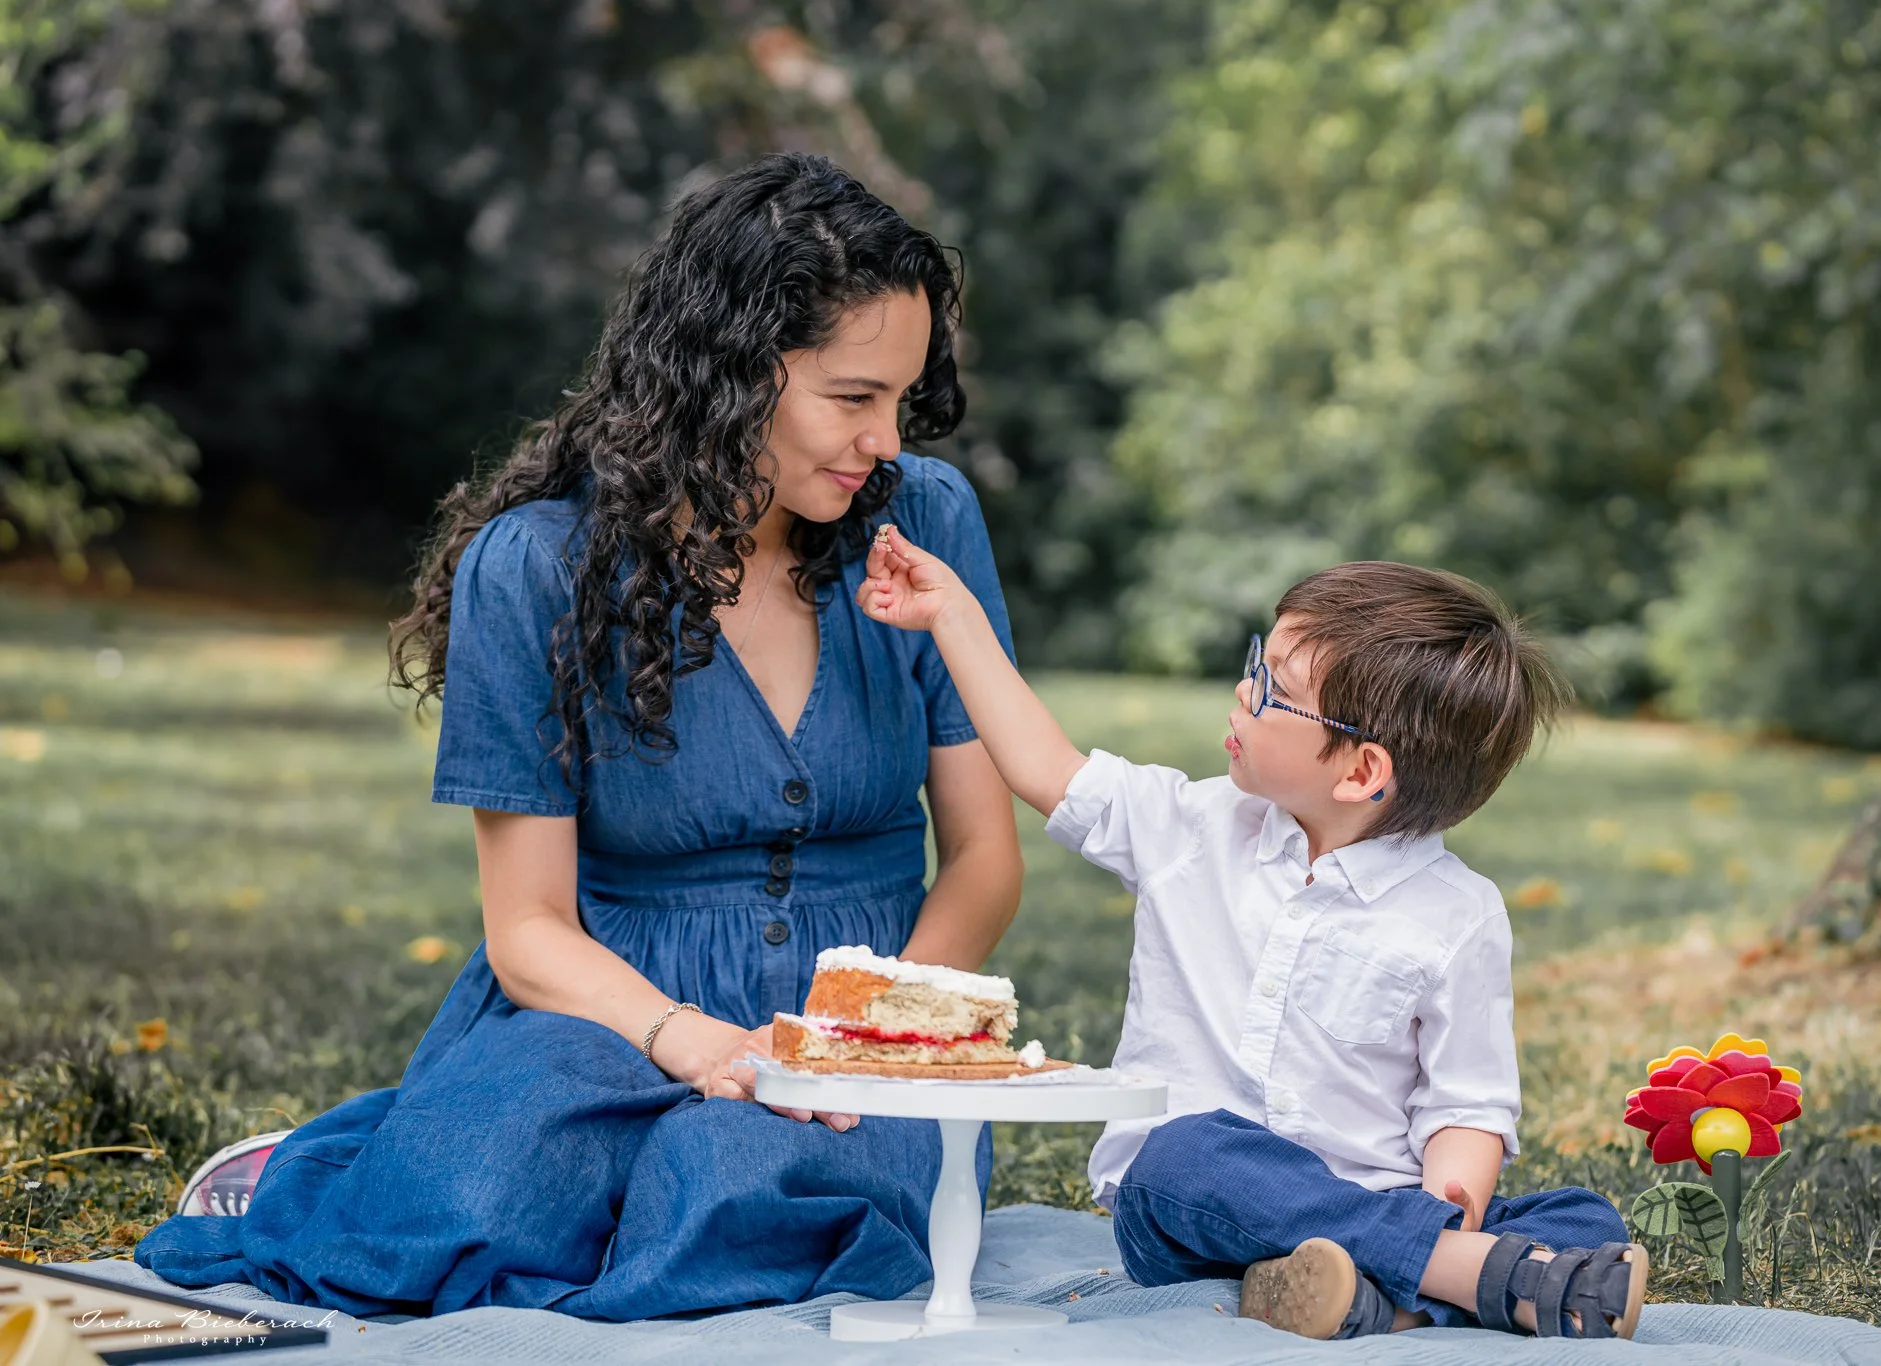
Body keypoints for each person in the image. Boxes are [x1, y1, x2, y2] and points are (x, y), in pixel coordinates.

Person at [132, 152, 1026, 1320]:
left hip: (857, 1045)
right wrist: (690, 1041)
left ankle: (565, 1177)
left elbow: (983, 857)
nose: (886, 443)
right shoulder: (539, 568)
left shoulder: (927, 522)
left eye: (901, 402)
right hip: (606, 1011)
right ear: (727, 376)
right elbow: (527, 931)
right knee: (480, 1198)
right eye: (852, 399)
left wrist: (850, 1043)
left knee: (734, 1190)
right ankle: (338, 1163)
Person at [855, 528, 1649, 1340]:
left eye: (1271, 690)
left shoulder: (1459, 913)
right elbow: (1044, 767)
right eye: (1253, 668)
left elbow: (1466, 1106)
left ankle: (1380, 1296)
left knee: (1585, 1217)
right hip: (1188, 1211)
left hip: (1373, 1201)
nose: (1241, 695)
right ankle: (1450, 1280)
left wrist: (1452, 1207)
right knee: (1183, 1152)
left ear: (1362, 772)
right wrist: (951, 613)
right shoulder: (1190, 828)